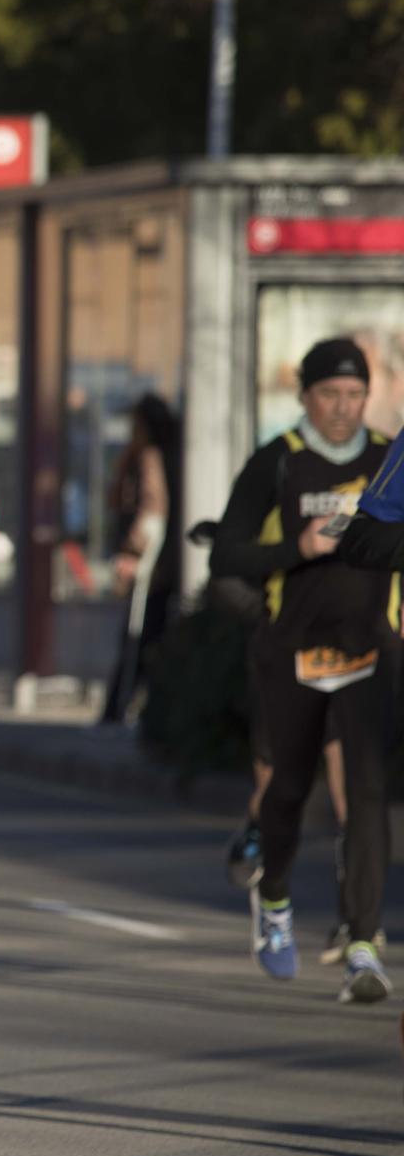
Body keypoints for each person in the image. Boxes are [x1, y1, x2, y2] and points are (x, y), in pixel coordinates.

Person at [218, 338, 391, 1004]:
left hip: (370, 647)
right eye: (330, 395)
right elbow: (225, 555)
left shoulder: (386, 458)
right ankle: (277, 893)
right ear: (305, 396)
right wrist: (299, 547)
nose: (344, 408)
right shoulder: (278, 463)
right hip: (290, 651)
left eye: (355, 395)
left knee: (366, 795)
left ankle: (364, 944)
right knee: (287, 791)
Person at [100, 395, 180, 723]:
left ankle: (119, 710)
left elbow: (152, 509)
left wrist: (133, 553)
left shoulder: (149, 456)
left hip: (152, 566)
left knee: (139, 638)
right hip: (162, 564)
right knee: (147, 637)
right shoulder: (162, 455)